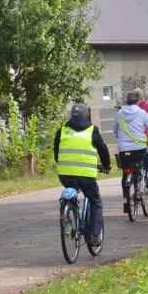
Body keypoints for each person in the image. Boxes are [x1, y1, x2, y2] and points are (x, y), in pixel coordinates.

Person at [56, 102, 112, 243]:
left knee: (74, 190)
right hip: (86, 175)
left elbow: (56, 151)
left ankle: (71, 209)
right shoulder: (92, 130)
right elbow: (102, 148)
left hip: (65, 174)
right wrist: (106, 165)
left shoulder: (62, 130)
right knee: (95, 201)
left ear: (71, 115)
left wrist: (61, 162)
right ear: (87, 115)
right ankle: (94, 235)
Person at [114, 91, 148, 214]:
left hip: (124, 151)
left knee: (126, 174)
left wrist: (120, 136)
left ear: (126, 101)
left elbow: (115, 130)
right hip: (139, 149)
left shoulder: (119, 113)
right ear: (138, 101)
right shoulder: (141, 113)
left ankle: (126, 200)